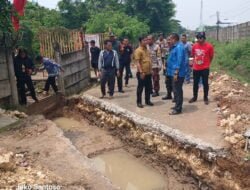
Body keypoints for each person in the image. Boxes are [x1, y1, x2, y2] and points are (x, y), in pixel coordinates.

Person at [189, 32, 214, 105]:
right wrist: (192, 63)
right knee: (195, 83)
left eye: (201, 38)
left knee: (205, 83)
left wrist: (207, 64)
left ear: (204, 38)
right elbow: (193, 55)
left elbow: (211, 56)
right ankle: (194, 97)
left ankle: (205, 97)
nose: (199, 39)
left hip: (205, 68)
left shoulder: (209, 46)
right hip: (196, 68)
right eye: (198, 38)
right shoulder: (194, 46)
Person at [167, 33, 186, 115]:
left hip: (177, 73)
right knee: (175, 90)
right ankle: (177, 105)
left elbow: (179, 60)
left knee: (178, 90)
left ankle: (178, 109)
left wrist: (176, 72)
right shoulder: (175, 47)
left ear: (174, 39)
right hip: (173, 72)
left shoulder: (179, 48)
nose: (169, 40)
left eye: (170, 39)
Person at [134, 36, 153, 108]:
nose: (146, 42)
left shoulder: (147, 50)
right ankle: (139, 102)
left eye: (146, 40)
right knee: (140, 88)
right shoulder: (138, 50)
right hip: (142, 73)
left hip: (148, 72)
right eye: (144, 40)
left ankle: (147, 100)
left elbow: (149, 60)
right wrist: (141, 72)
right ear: (140, 42)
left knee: (148, 87)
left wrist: (151, 70)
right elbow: (138, 62)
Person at [162, 36, 173, 100]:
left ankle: (175, 97)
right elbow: (165, 58)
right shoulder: (166, 49)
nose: (168, 41)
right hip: (167, 69)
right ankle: (169, 95)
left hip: (173, 69)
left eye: (169, 40)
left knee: (174, 83)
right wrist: (164, 65)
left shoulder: (175, 48)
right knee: (167, 82)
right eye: (167, 40)